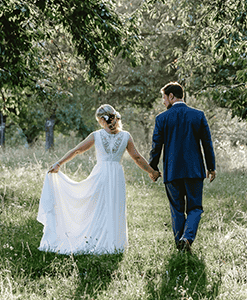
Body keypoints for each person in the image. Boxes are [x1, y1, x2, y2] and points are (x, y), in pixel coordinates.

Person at [37, 104, 161, 254]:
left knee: (97, 208)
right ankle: (114, 244)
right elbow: (137, 158)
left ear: (102, 120)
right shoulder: (126, 136)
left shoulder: (96, 135)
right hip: (116, 176)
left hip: (101, 174)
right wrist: (151, 172)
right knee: (115, 208)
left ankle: (95, 240)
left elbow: (77, 150)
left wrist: (59, 163)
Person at [148, 82, 216, 253]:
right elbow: (207, 144)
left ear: (171, 96)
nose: (163, 102)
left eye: (164, 98)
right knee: (195, 208)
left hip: (172, 172)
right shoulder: (198, 115)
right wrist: (211, 167)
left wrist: (153, 169)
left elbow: (156, 147)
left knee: (177, 210)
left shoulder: (162, 119)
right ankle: (187, 238)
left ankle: (180, 244)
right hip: (194, 171)